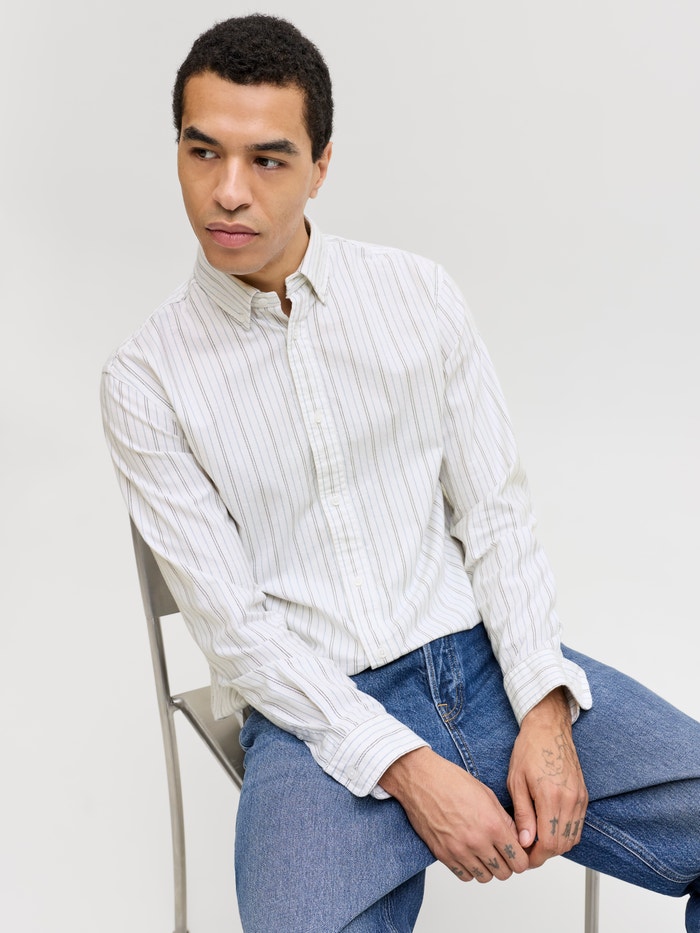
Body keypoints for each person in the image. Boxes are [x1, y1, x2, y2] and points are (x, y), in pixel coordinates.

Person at [101, 14, 700, 932]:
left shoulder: (418, 295)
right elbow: (237, 631)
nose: (228, 192)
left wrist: (544, 704)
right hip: (312, 717)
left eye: (268, 159)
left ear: (320, 165)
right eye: (202, 151)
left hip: (483, 662)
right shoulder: (145, 380)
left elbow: (495, 516)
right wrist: (408, 767)